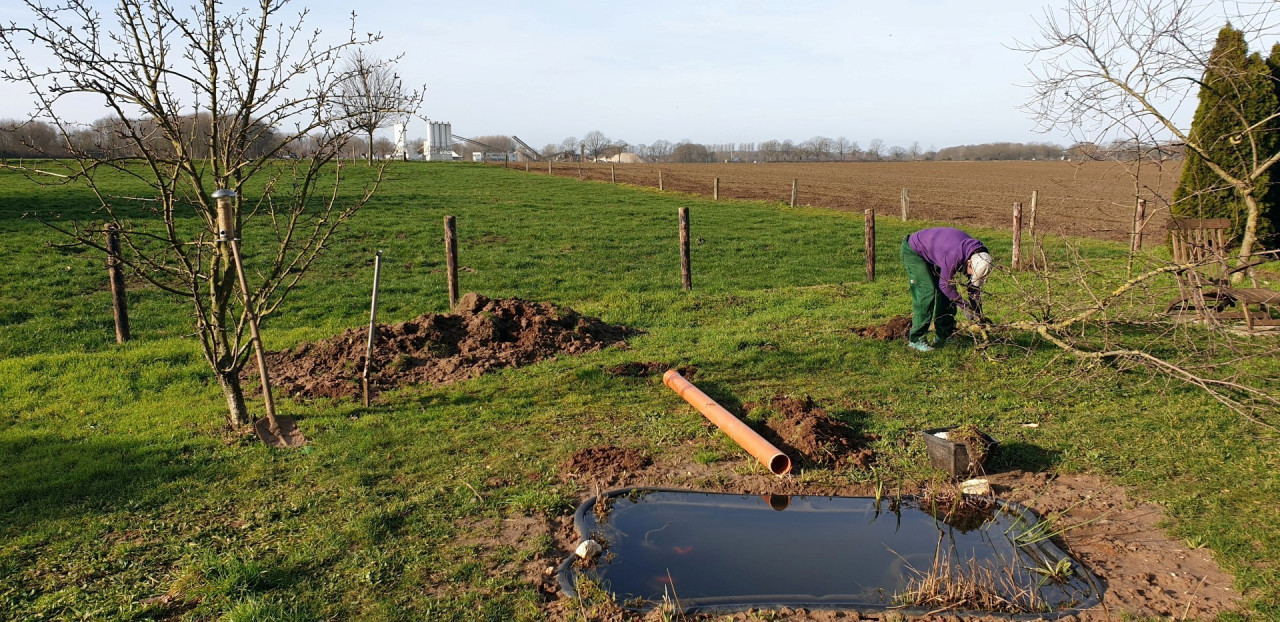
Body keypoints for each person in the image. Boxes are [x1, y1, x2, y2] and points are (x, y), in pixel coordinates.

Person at [899, 227, 993, 352]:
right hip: (914, 251)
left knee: (948, 292)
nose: (970, 276)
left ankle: (943, 334)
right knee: (927, 291)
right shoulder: (954, 255)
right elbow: (944, 285)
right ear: (969, 263)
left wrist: (978, 314)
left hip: (938, 252)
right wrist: (965, 306)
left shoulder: (980, 256)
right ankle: (916, 339)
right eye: (971, 273)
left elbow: (973, 288)